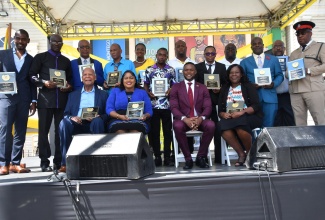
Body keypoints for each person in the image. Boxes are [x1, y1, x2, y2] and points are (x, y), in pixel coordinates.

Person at [29, 34, 72, 172]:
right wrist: (44, 82)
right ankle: (44, 161)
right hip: (45, 100)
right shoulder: (40, 57)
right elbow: (32, 76)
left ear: (62, 43)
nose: (57, 43)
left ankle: (58, 162)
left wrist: (68, 86)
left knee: (60, 132)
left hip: (62, 101)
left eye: (60, 42)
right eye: (54, 41)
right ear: (50, 42)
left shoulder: (66, 61)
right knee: (43, 132)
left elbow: (70, 80)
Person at [0, 29, 36, 175]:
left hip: (24, 99)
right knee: (5, 131)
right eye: (18, 39)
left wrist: (33, 100)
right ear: (14, 39)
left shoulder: (31, 59)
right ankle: (3, 163)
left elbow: (32, 81)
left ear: (28, 40)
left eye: (23, 39)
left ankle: (15, 163)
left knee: (21, 131)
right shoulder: (3, 54)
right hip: (6, 98)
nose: (21, 41)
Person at [58, 68, 108, 173]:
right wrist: (72, 117)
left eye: (90, 75)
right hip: (77, 123)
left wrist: (99, 116)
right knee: (64, 123)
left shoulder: (103, 94)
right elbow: (66, 113)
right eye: (85, 75)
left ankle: (98, 162)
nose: (87, 76)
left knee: (98, 122)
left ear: (95, 78)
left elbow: (107, 114)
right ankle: (65, 164)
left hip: (94, 123)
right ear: (82, 78)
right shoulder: (73, 95)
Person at [170, 62, 215, 169]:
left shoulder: (202, 87)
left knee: (211, 125)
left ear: (195, 72)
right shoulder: (176, 87)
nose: (189, 72)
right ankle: (188, 159)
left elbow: (208, 106)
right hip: (183, 120)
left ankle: (201, 157)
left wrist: (201, 118)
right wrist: (184, 119)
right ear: (183, 72)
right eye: (186, 70)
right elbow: (174, 107)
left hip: (199, 119)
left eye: (191, 70)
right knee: (177, 126)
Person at [218, 64, 263, 166]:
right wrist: (223, 114)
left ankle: (250, 153)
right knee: (221, 126)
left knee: (240, 124)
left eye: (237, 72)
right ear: (228, 75)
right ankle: (241, 154)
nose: (234, 75)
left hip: (248, 116)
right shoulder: (225, 88)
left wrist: (241, 112)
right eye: (231, 73)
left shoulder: (248, 86)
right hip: (230, 118)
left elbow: (256, 106)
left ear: (241, 74)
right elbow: (220, 110)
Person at [240, 37, 283, 127]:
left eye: (259, 43)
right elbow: (242, 79)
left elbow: (280, 75)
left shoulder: (273, 59)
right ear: (251, 47)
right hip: (252, 99)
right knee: (253, 127)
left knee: (269, 126)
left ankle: (266, 142)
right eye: (254, 44)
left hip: (270, 98)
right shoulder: (244, 62)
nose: (257, 45)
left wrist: (273, 84)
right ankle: (255, 142)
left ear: (263, 46)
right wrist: (250, 86)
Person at [144, 48, 176, 167]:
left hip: (167, 105)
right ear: (156, 55)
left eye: (164, 55)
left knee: (168, 132)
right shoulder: (150, 69)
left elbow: (174, 85)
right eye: (160, 55)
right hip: (154, 105)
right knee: (155, 132)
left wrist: (170, 90)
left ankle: (167, 156)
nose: (162, 57)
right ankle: (157, 156)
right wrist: (148, 93)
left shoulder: (171, 70)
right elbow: (145, 84)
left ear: (167, 56)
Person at [289, 21, 325, 125]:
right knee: (299, 123)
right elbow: (288, 72)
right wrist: (289, 73)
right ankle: (303, 142)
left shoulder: (320, 47)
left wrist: (309, 70)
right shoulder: (294, 53)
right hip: (296, 90)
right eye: (298, 34)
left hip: (313, 89)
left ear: (310, 33)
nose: (300, 36)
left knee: (320, 120)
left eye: (303, 33)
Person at [195, 46, 227, 164]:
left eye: (212, 54)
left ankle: (219, 157)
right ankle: (203, 157)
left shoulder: (221, 67)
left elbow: (226, 84)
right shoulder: (198, 67)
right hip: (202, 104)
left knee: (218, 129)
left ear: (215, 54)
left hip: (217, 103)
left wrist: (220, 89)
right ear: (204, 54)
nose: (209, 56)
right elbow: (196, 85)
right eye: (207, 54)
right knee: (204, 129)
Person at [168, 40, 198, 152]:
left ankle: (194, 152)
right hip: (177, 97)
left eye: (182, 46)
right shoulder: (170, 64)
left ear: (186, 48)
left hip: (191, 97)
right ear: (175, 48)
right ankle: (180, 152)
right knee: (180, 123)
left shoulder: (193, 62)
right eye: (178, 46)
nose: (180, 48)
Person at [272, 40, 295, 126]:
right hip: (274, 95)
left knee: (290, 119)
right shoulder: (268, 61)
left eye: (280, 46)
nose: (278, 48)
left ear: (284, 48)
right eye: (275, 46)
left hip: (287, 95)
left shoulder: (291, 60)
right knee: (276, 119)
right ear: (272, 49)